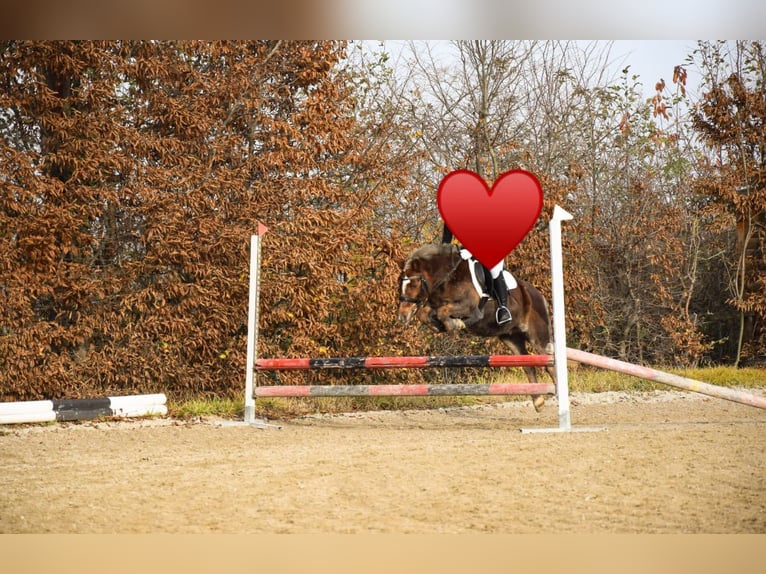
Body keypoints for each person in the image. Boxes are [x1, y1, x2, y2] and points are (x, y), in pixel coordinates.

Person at [441, 223, 512, 324]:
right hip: (466, 248)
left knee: (493, 268)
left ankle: (503, 309)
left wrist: (472, 251)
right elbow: (446, 240)